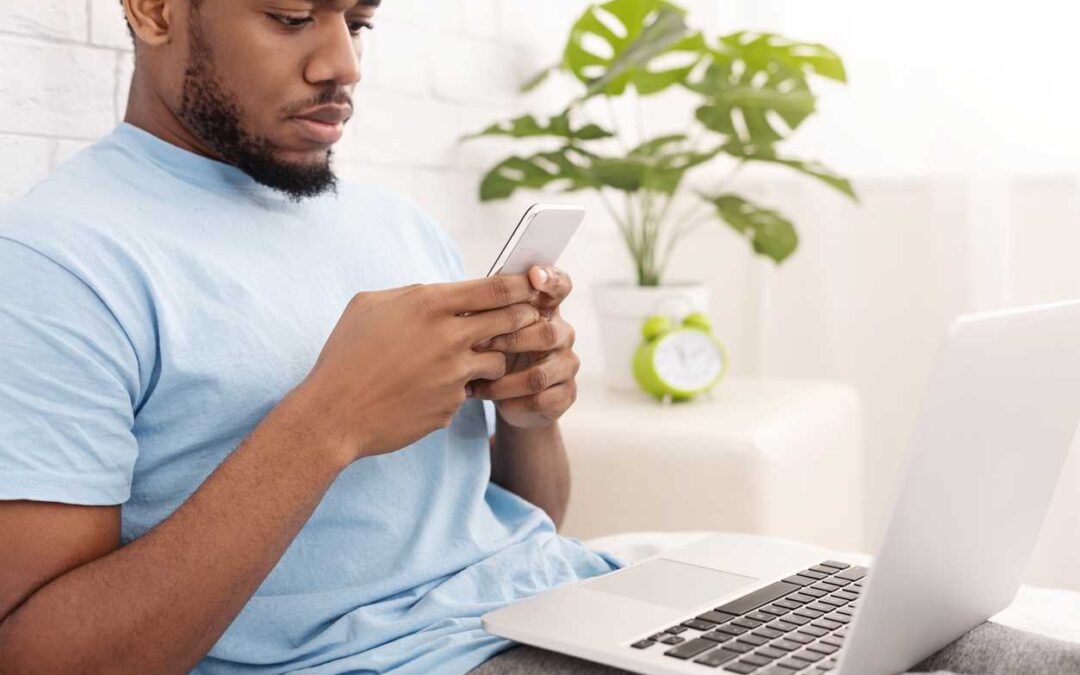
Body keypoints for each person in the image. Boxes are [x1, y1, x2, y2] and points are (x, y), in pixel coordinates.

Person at [0, 1, 1076, 674]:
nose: (344, 64)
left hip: (571, 603)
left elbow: (512, 524)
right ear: (147, 9)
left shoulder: (389, 225)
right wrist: (327, 422)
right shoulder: (58, 260)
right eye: (293, 18)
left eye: (359, 22)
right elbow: (40, 656)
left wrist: (528, 416)